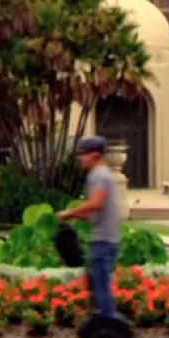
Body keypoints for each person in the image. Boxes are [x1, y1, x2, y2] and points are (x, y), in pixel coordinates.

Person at [57, 136, 120, 319]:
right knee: (95, 286)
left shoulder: (99, 175)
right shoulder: (100, 174)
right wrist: (72, 216)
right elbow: (91, 212)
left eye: (84, 154)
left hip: (104, 241)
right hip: (102, 239)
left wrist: (69, 213)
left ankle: (108, 327)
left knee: (101, 289)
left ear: (95, 155)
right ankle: (103, 324)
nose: (81, 158)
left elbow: (96, 203)